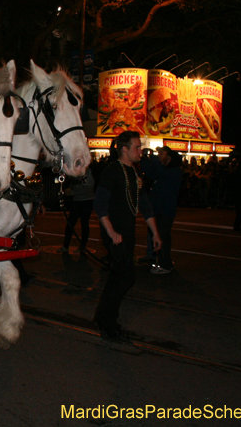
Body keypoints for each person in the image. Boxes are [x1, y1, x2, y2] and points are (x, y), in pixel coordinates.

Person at [93, 131, 162, 342]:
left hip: (128, 234)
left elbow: (145, 206)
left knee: (117, 277)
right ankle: (108, 322)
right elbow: (100, 204)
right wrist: (111, 231)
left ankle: (103, 317)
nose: (140, 151)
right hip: (115, 235)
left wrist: (155, 233)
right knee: (126, 276)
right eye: (137, 147)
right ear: (124, 149)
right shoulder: (112, 171)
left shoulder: (135, 173)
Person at [141, 146, 183, 274]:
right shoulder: (167, 172)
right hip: (158, 209)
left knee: (163, 237)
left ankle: (165, 264)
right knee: (155, 235)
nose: (162, 159)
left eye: (165, 157)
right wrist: (144, 158)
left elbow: (159, 171)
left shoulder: (175, 171)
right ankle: (154, 258)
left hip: (165, 211)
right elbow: (149, 171)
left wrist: (153, 157)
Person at [59, 170, 95, 254]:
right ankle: (66, 245)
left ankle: (82, 246)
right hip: (77, 200)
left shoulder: (87, 172)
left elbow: (89, 186)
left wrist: (73, 192)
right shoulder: (77, 172)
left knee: (84, 224)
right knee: (71, 223)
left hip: (86, 200)